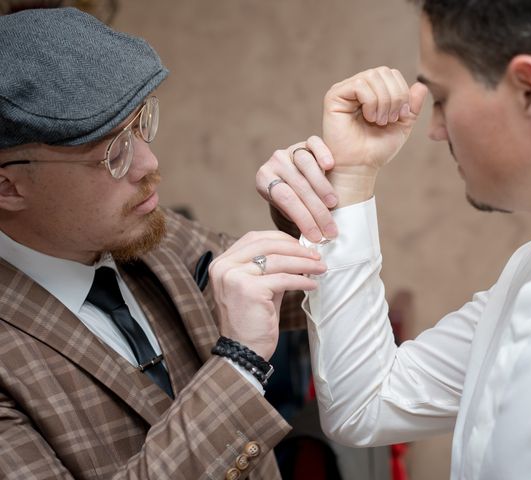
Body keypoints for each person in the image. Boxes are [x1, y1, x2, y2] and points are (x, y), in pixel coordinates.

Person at [257, 0, 531, 478]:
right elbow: (366, 407)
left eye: (442, 97)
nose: (435, 130)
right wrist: (352, 179)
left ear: (529, 92)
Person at [0, 7, 328, 480]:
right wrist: (238, 365)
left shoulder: (147, 231)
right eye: (113, 154)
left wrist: (315, 201)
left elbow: (304, 292)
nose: (150, 164)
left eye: (141, 125)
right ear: (8, 187)